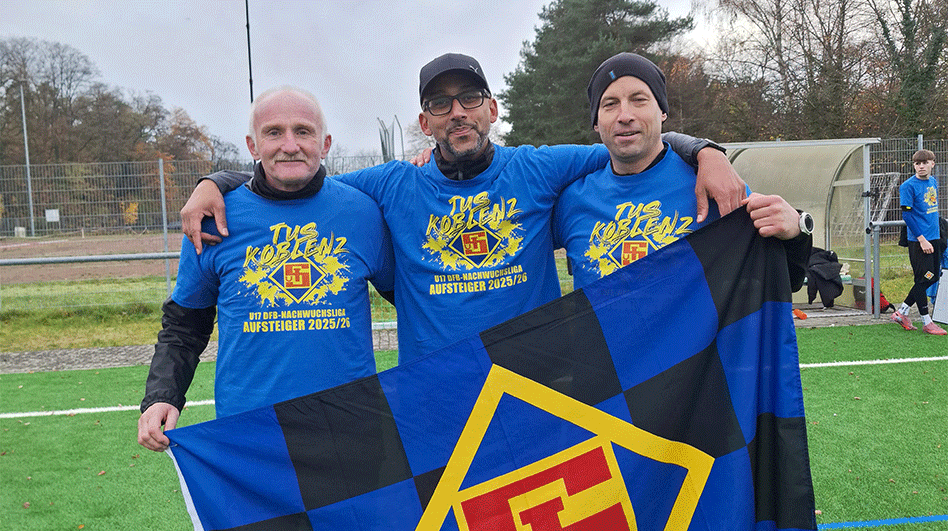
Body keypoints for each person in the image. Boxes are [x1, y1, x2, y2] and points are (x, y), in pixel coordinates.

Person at [183, 53, 748, 364]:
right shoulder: (391, 185)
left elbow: (631, 140)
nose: (458, 112)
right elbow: (297, 172)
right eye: (440, 103)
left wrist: (705, 153)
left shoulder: (539, 168)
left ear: (492, 108)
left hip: (537, 382)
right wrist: (219, 179)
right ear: (424, 121)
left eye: (470, 98)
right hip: (437, 394)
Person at [137, 86, 395, 451]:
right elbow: (184, 326)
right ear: (252, 145)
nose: (289, 145)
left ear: (325, 144)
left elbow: (417, 298)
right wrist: (163, 395)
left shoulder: (363, 213)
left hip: (351, 430)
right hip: (251, 437)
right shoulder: (212, 220)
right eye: (274, 132)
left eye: (303, 131)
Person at [554, 53, 811, 291]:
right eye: (610, 104)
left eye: (639, 100)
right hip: (603, 342)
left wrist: (796, 232)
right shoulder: (572, 201)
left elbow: (785, 280)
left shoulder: (713, 185)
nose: (625, 115)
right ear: (596, 122)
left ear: (662, 111)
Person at [891, 149, 946, 334]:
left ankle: (906, 313)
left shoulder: (933, 182)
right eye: (917, 163)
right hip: (919, 241)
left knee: (932, 276)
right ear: (914, 165)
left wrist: (937, 237)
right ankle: (920, 318)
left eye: (924, 162)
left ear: (932, 163)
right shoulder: (908, 186)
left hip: (934, 238)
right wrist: (922, 240)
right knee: (926, 277)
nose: (921, 166)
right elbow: (907, 215)